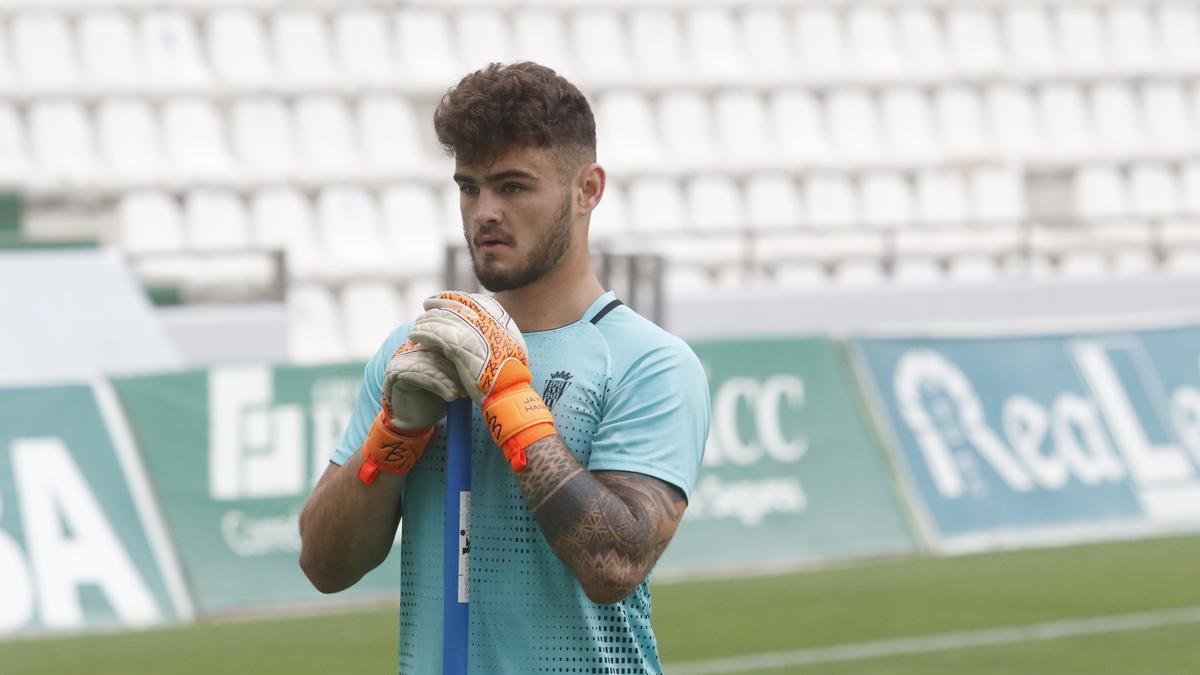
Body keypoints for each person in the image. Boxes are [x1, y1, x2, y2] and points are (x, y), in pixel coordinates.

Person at [298, 61, 710, 674]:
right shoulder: (414, 351)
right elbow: (324, 565)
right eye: (469, 187)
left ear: (588, 189)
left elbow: (614, 565)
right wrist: (394, 435)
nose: (484, 211)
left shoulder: (648, 363)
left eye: (513, 186)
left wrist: (510, 399)